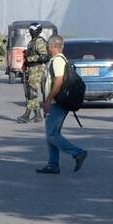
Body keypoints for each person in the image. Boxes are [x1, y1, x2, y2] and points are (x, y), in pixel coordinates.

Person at [36, 35, 88, 174]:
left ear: (53, 46)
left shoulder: (58, 61)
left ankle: (77, 153)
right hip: (56, 102)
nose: (47, 49)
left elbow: (58, 81)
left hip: (56, 103)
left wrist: (48, 100)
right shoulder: (57, 60)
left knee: (52, 135)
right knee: (51, 134)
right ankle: (53, 165)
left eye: (48, 46)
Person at [18, 22, 49, 123]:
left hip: (37, 68)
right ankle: (37, 115)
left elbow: (44, 57)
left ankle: (27, 114)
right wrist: (25, 63)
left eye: (33, 30)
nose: (31, 32)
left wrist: (29, 58)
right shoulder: (32, 41)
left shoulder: (39, 41)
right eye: (30, 30)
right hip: (31, 68)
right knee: (31, 92)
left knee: (32, 92)